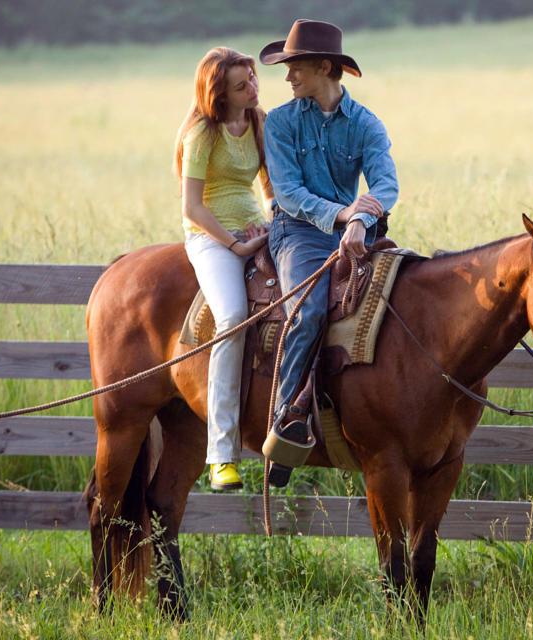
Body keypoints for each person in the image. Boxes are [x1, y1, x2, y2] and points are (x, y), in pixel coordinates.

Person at [259, 19, 398, 485]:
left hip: (352, 228)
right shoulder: (279, 123)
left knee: (405, 299)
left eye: (295, 67)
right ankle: (282, 425)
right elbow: (290, 194)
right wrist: (346, 216)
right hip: (296, 232)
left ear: (324, 67)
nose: (288, 77)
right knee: (310, 311)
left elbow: (384, 183)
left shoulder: (365, 124)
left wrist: (362, 218)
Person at [173, 46, 273, 491]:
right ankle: (221, 455)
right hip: (212, 239)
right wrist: (235, 243)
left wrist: (272, 226)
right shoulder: (201, 133)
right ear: (219, 93)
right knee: (232, 318)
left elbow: (271, 185)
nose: (253, 87)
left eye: (253, 78)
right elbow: (192, 207)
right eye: (242, 84)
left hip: (257, 230)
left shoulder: (258, 120)